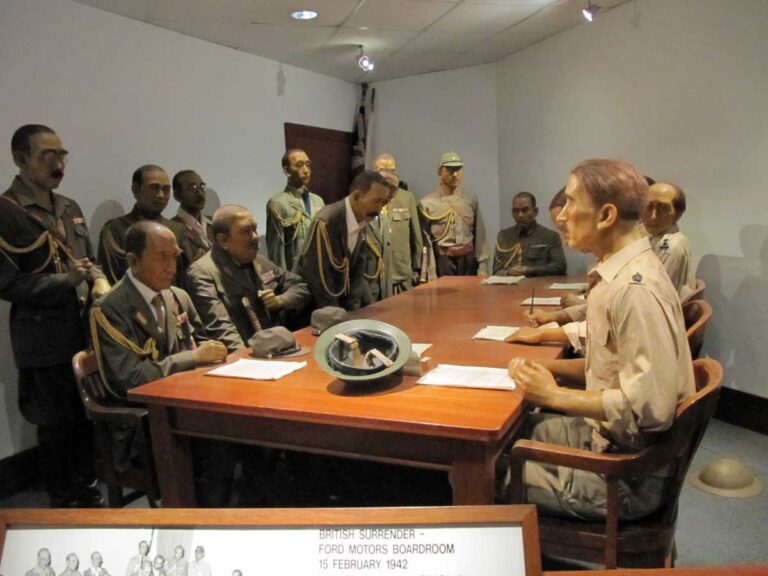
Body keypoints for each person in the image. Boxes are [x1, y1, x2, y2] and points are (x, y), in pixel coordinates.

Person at [506, 159, 695, 520]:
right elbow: (609, 364)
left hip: (623, 475)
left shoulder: (635, 289)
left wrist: (553, 395)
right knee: (511, 434)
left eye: (572, 203)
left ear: (606, 215)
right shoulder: (622, 272)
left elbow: (651, 409)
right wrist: (546, 369)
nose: (561, 215)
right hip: (608, 442)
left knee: (480, 471)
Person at [91, 222, 237, 506]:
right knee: (221, 444)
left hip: (186, 402)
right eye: (162, 257)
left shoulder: (177, 296)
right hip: (142, 420)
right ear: (133, 261)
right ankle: (200, 521)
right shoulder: (110, 308)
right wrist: (192, 358)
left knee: (242, 433)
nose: (172, 266)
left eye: (175, 256)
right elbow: (129, 378)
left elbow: (203, 342)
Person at [0, 124, 107, 508]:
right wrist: (66, 281)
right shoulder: (7, 211)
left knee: (84, 415)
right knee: (55, 420)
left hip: (81, 328)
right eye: (47, 155)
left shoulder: (70, 207)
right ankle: (64, 497)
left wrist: (95, 281)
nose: (58, 163)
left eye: (62, 154)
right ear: (20, 159)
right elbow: (7, 284)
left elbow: (87, 260)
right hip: (42, 335)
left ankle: (86, 484)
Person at [185, 205, 311, 353]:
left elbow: (301, 285)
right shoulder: (202, 273)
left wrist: (281, 300)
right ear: (223, 240)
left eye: (255, 229)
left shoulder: (259, 261)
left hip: (277, 348)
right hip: (246, 357)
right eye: (246, 231)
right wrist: (248, 361)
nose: (255, 237)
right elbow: (222, 330)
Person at [294, 170, 391, 311]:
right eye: (376, 201)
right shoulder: (326, 221)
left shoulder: (362, 219)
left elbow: (357, 272)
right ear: (357, 196)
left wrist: (353, 311)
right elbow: (317, 277)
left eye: (382, 203)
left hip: (339, 307)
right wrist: (335, 315)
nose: (379, 209)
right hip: (313, 309)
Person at [97, 165, 194, 286]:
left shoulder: (177, 230)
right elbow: (109, 278)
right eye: (154, 188)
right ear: (136, 190)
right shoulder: (115, 229)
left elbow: (185, 279)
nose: (161, 195)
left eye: (166, 189)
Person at [419, 152, 488, 276]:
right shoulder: (427, 204)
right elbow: (426, 243)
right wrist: (430, 271)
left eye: (458, 170)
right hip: (444, 261)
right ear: (440, 172)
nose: (455, 174)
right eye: (450, 170)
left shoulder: (470, 199)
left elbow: (480, 234)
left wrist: (483, 265)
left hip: (468, 260)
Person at [266, 149, 324, 271]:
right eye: (299, 165)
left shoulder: (318, 201)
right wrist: (283, 283)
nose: (305, 170)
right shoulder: (278, 203)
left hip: (320, 274)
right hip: (296, 275)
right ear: (287, 171)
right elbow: (276, 250)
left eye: (307, 165)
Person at [372, 153, 423, 293]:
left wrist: (417, 269)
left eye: (392, 171)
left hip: (400, 273)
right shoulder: (368, 198)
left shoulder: (407, 198)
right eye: (382, 171)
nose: (387, 175)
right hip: (375, 275)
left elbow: (416, 238)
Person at [642, 181, 696, 299]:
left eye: (663, 209)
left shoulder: (669, 247)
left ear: (677, 214)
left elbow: (652, 295)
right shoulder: (657, 235)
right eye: (648, 207)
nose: (653, 216)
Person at [493, 192, 566, 277]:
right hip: (511, 288)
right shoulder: (503, 236)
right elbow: (496, 271)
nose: (520, 215)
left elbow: (560, 266)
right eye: (516, 211)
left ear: (535, 211)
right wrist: (508, 272)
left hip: (539, 286)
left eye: (525, 210)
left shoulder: (550, 236)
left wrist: (532, 270)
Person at [360, 171, 395, 301]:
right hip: (365, 284)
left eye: (394, 189)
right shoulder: (360, 212)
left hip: (383, 283)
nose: (391, 193)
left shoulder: (384, 214)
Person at [171, 170, 214, 260]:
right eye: (192, 188)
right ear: (177, 196)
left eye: (202, 187)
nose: (199, 193)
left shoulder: (216, 223)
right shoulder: (171, 229)